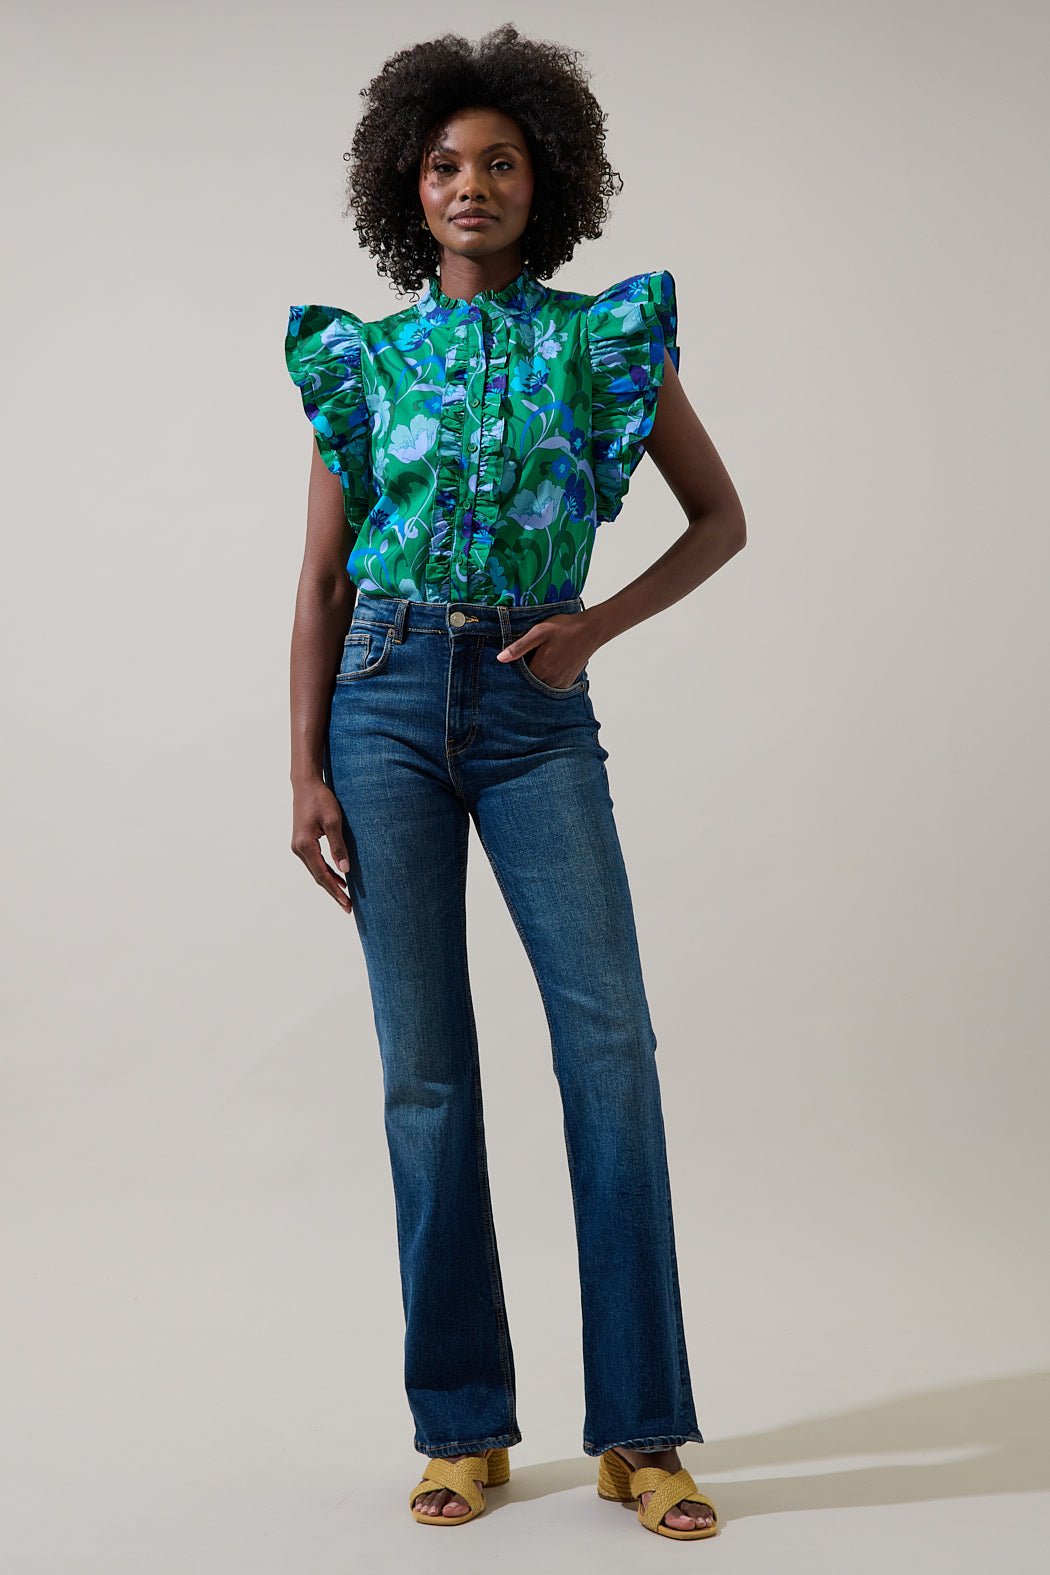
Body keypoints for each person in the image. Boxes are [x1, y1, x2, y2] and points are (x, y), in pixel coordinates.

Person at [284, 23, 745, 1542]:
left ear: (545, 182)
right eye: (442, 164)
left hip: (535, 710)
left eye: (497, 162)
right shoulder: (365, 363)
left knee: (608, 1048)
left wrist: (591, 629)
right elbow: (320, 585)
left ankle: (641, 1435)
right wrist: (306, 767)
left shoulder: (600, 346)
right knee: (424, 1074)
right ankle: (462, 1426)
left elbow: (719, 519)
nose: (468, 183)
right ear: (406, 188)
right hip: (382, 706)